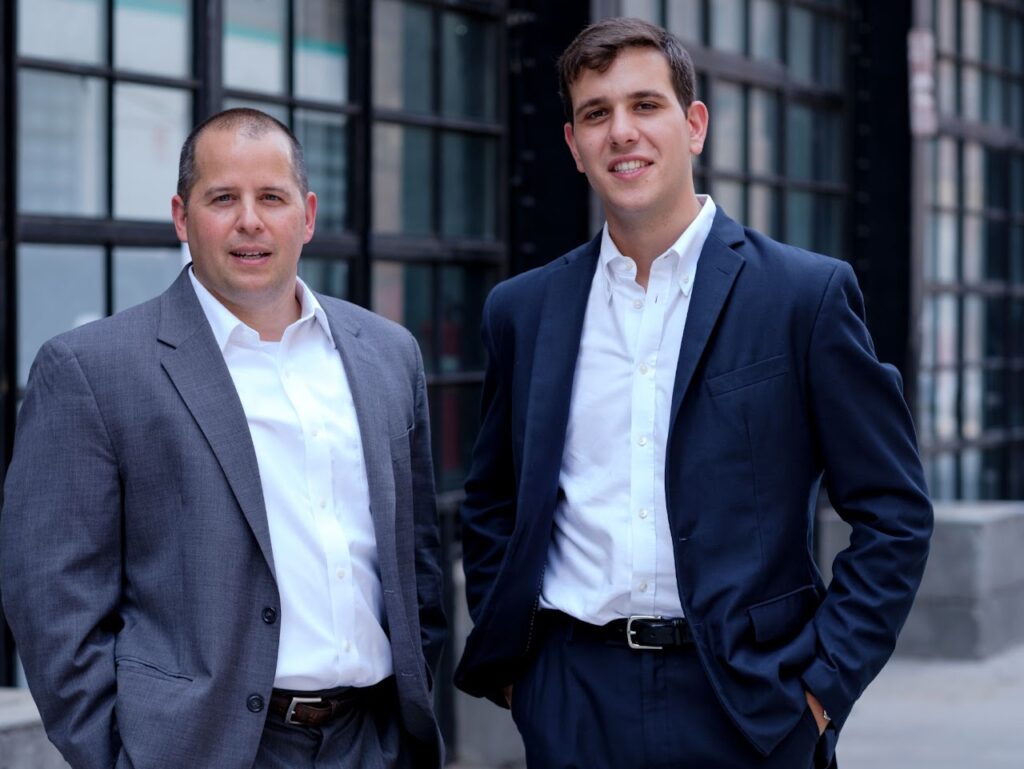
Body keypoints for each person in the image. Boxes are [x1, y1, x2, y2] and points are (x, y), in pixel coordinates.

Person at [455, 17, 932, 769]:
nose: (622, 132)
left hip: (750, 702)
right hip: (575, 697)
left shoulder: (803, 296)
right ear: (575, 146)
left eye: (645, 105)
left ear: (694, 124)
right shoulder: (523, 310)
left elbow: (894, 511)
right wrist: (527, 677)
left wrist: (821, 688)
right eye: (596, 113)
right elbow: (490, 504)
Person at [0, 108, 445, 769]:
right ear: (182, 217)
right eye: (222, 199)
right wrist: (124, 756)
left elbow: (418, 564)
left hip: (371, 740)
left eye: (272, 197)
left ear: (308, 214)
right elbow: (51, 598)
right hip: (203, 750)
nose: (250, 221)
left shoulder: (387, 353)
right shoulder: (93, 369)